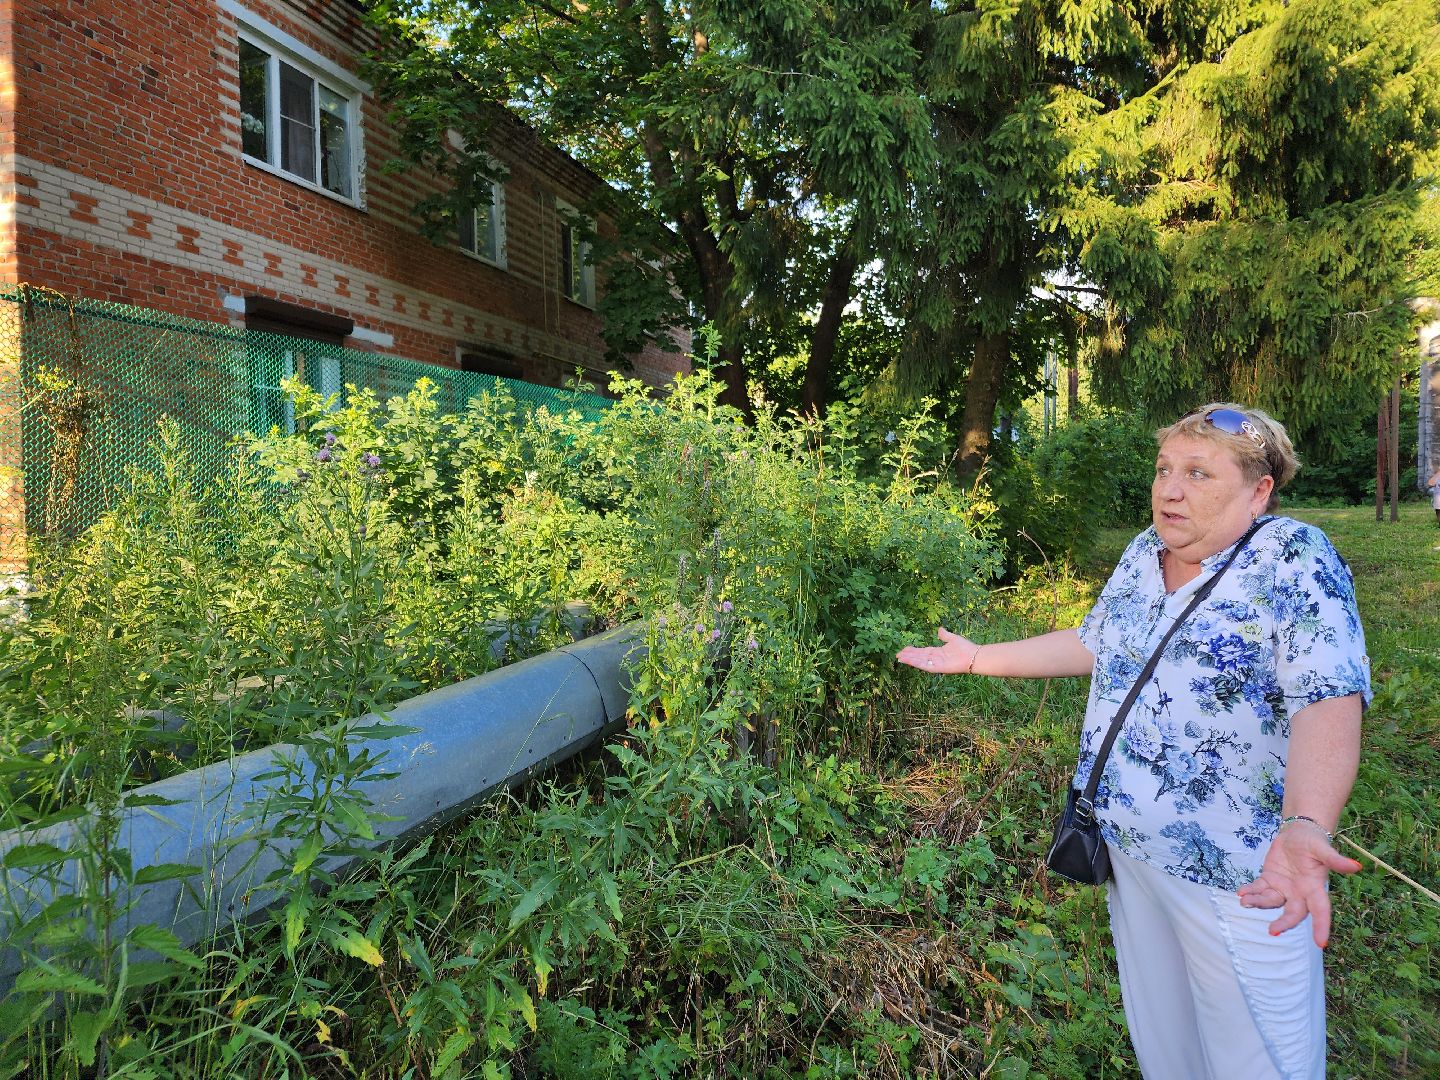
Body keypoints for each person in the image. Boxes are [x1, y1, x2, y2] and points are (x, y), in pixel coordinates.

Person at [897, 404, 1369, 1080]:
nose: (1169, 490)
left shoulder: (1290, 557)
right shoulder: (1146, 554)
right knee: (1168, 1054)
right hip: (1129, 851)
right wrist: (979, 658)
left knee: (1261, 1063)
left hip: (1243, 876)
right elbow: (1096, 641)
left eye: (1199, 473)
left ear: (1258, 489)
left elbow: (1328, 697)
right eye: (1164, 469)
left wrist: (1303, 827)